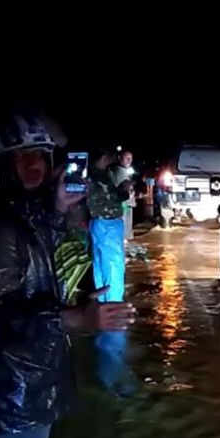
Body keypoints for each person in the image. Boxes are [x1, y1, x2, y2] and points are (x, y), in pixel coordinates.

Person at [0, 107, 136, 438]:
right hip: (10, 395)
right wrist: (71, 319)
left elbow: (32, 256)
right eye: (22, 157)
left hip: (25, 386)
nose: (35, 165)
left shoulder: (17, 212)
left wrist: (58, 210)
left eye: (41, 156)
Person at [87, 147, 135, 393]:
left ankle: (107, 318)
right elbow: (116, 198)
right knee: (113, 275)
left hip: (99, 225)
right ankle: (113, 323)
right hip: (107, 225)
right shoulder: (98, 175)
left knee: (103, 272)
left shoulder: (92, 174)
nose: (110, 159)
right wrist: (125, 190)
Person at [109, 150, 136, 240]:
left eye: (130, 158)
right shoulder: (119, 171)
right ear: (120, 158)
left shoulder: (122, 170)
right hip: (123, 205)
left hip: (125, 205)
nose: (129, 160)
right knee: (123, 230)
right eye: (127, 158)